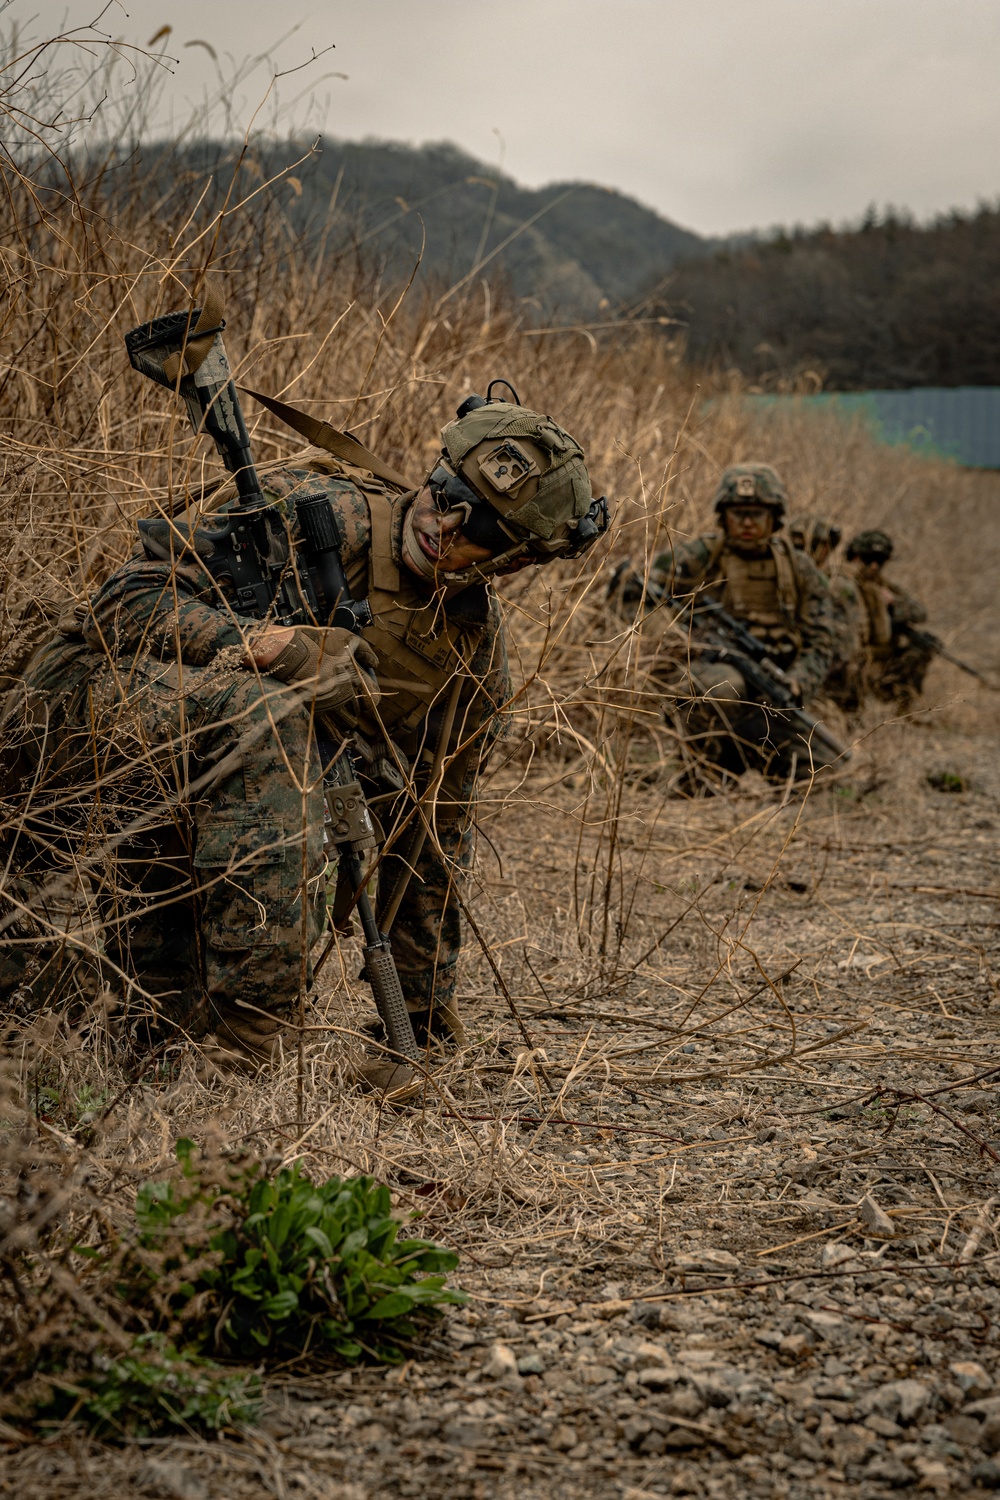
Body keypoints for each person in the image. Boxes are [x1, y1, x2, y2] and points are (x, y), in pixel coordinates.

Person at [0, 394, 606, 1082]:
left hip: (192, 806)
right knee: (270, 715)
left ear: (516, 562)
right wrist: (265, 644)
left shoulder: (467, 661)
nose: (446, 524)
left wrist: (419, 1030)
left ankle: (174, 1018)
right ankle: (246, 1055)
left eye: (483, 531)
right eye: (446, 494)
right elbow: (122, 603)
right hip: (71, 728)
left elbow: (430, 841)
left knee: (148, 1023)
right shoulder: (313, 511)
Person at [643, 463, 836, 778]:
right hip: (714, 686)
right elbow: (635, 591)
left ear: (774, 518)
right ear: (723, 516)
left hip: (773, 694)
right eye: (738, 513)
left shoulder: (799, 569)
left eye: (757, 514)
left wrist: (798, 681)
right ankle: (698, 771)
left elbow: (822, 639)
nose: (747, 523)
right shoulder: (700, 556)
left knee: (827, 770)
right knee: (720, 687)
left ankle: (741, 759)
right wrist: (674, 640)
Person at [844, 529, 933, 712]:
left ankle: (904, 709)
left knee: (924, 645)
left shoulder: (884, 586)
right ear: (856, 558)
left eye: (881, 561)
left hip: (881, 658)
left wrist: (894, 603)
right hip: (855, 658)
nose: (875, 566)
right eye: (869, 560)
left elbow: (920, 612)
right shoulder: (844, 583)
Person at [788, 512, 865, 712]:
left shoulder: (836, 583)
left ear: (826, 549)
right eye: (797, 546)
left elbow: (840, 647)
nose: (802, 553)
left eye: (812, 546)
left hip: (830, 674)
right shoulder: (785, 574)